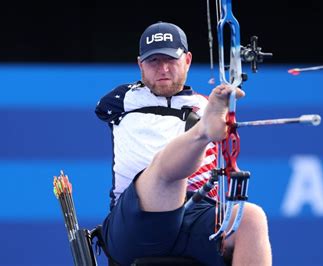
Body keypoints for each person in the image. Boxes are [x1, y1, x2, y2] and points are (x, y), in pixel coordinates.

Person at [96, 22, 272, 265]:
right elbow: (101, 108)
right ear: (140, 65)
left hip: (194, 216)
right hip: (136, 222)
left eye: (171, 59)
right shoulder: (123, 100)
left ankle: (202, 133)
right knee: (166, 173)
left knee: (251, 219)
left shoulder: (206, 104)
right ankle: (201, 133)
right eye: (153, 61)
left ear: (188, 60)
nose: (163, 69)